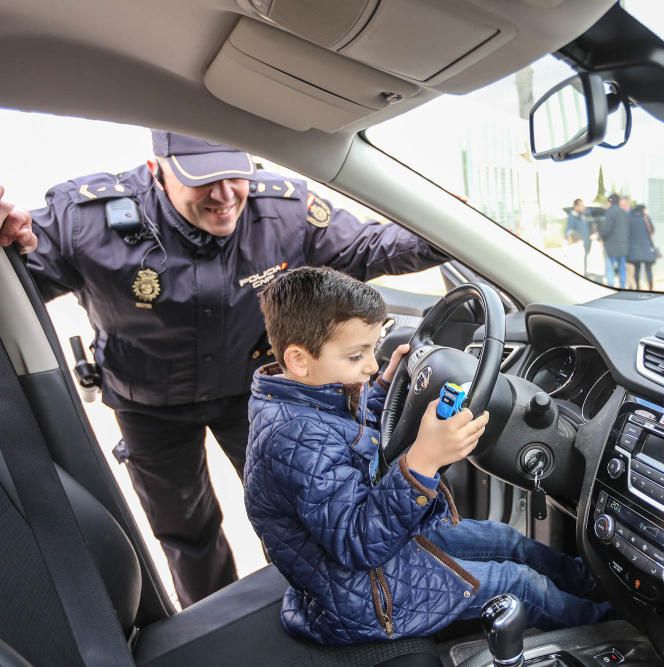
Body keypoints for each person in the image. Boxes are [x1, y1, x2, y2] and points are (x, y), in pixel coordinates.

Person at [0, 130, 448, 607]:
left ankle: (313, 606)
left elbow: (369, 247)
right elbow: (20, 275)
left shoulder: (284, 210)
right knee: (187, 533)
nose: (224, 194)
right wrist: (6, 239)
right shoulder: (85, 220)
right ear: (157, 171)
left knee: (295, 510)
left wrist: (445, 224)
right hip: (149, 403)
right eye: (203, 179)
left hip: (248, 394)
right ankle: (213, 622)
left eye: (234, 174)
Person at [245, 267, 612, 645]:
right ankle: (608, 627)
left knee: (507, 541)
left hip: (385, 555)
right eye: (357, 356)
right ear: (299, 359)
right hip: (364, 597)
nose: (370, 366)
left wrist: (386, 386)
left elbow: (346, 438)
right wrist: (422, 462)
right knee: (519, 584)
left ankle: (595, 585)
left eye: (373, 350)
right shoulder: (291, 437)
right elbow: (357, 541)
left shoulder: (306, 395)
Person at [599, 194, 630, 288]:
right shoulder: (624, 212)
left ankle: (611, 288)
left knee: (609, 268)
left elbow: (606, 229)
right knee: (622, 268)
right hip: (623, 246)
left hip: (611, 246)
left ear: (610, 201)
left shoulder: (610, 212)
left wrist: (601, 236)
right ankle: (622, 286)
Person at [626, 204, 657, 290]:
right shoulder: (645, 218)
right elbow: (652, 230)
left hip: (635, 248)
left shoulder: (630, 218)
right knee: (648, 269)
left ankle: (638, 287)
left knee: (637, 269)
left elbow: (627, 233)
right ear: (642, 210)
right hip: (646, 247)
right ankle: (651, 288)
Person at [565, 198, 591, 275]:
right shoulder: (572, 217)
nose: (583, 207)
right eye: (581, 205)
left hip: (584, 245)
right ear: (576, 206)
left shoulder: (582, 216)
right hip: (578, 247)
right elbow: (569, 232)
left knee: (584, 267)